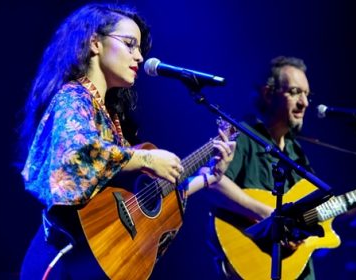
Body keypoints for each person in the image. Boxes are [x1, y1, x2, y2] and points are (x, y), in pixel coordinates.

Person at [18, 3, 235, 279]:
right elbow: (76, 155)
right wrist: (145, 158)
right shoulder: (73, 98)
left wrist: (208, 178)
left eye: (140, 48)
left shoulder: (109, 116)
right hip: (63, 260)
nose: (140, 57)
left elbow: (140, 206)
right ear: (94, 43)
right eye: (130, 45)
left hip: (99, 258)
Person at [205, 55, 356, 279]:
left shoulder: (296, 153)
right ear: (268, 93)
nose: (305, 102)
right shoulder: (243, 136)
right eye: (295, 92)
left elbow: (330, 211)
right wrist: (271, 216)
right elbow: (213, 183)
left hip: (297, 271)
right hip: (254, 263)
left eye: (307, 95)